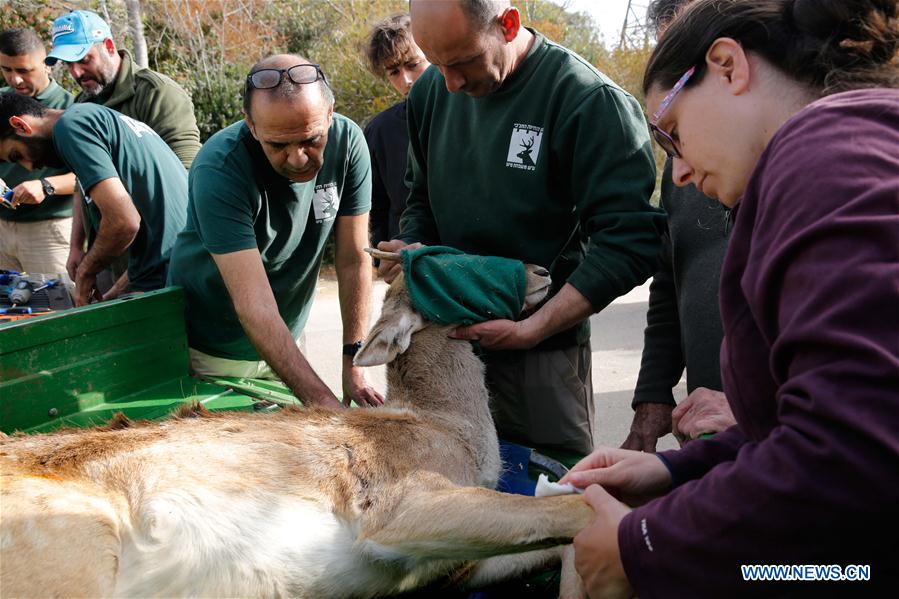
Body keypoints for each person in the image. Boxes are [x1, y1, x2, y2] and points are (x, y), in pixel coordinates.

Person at [562, 0, 899, 596]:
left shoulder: (822, 151)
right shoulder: (837, 151)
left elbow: (852, 453)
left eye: (671, 133)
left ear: (726, 66)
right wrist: (672, 469)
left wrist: (642, 547)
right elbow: (815, 417)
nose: (681, 172)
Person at [379, 0, 665, 460]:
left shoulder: (587, 100)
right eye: (436, 63)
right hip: (441, 348)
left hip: (542, 354)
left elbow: (629, 241)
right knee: (445, 495)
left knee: (545, 495)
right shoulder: (431, 91)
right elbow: (419, 200)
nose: (449, 82)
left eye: (462, 61)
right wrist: (416, 251)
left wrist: (534, 328)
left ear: (507, 24)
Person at [167, 54, 383, 411]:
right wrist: (326, 405)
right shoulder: (218, 169)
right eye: (278, 145)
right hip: (217, 349)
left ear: (329, 114)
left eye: (311, 140)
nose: (298, 158)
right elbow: (254, 306)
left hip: (286, 337)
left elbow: (353, 258)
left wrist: (353, 362)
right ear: (251, 126)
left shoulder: (349, 144)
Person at [622, 0, 733, 452]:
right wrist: (653, 394)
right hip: (713, 423)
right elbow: (670, 278)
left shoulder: (843, 177)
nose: (681, 168)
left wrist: (760, 413)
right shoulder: (684, 164)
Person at [0, 94, 189, 305]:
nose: (29, 166)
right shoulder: (91, 117)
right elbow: (159, 230)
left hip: (173, 283)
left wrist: (86, 272)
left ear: (20, 125)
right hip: (181, 263)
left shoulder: (70, 129)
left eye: (17, 155)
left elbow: (123, 221)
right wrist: (116, 291)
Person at [45, 10, 201, 168]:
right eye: (68, 64)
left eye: (84, 59)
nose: (76, 72)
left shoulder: (157, 92)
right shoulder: (81, 104)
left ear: (109, 47)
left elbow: (186, 169)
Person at [0, 28, 75, 275]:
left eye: (23, 70)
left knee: (58, 309)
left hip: (50, 230)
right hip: (2, 228)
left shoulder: (71, 109)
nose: (15, 80)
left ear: (47, 65)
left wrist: (46, 185)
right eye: (6, 69)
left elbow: (92, 174)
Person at [363, 13, 430, 251]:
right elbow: (374, 205)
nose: (406, 80)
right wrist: (383, 254)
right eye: (393, 72)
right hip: (407, 262)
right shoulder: (379, 130)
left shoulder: (468, 112)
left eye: (413, 65)